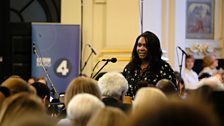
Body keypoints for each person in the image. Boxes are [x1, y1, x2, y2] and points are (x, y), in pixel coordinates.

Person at [123, 31, 176, 99]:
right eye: (139, 45)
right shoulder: (129, 68)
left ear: (153, 48)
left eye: (145, 46)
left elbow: (172, 94)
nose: (141, 49)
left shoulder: (164, 68)